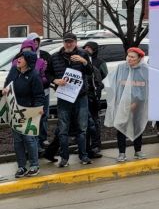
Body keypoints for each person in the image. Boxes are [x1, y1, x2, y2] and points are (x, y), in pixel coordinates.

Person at [48, 32, 93, 168]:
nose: (69, 44)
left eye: (71, 41)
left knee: (82, 128)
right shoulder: (55, 57)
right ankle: (64, 158)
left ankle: (83, 156)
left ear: (76, 42)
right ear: (63, 42)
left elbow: (91, 72)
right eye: (67, 41)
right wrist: (55, 80)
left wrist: (84, 62)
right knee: (63, 129)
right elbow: (47, 74)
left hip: (81, 96)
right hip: (64, 97)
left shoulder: (83, 54)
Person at [3, 48, 44, 178]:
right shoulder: (14, 71)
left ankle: (34, 165)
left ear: (29, 61)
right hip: (15, 110)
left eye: (22, 58)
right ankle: (21, 166)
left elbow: (39, 95)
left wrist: (39, 108)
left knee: (29, 139)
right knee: (17, 140)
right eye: (18, 57)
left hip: (29, 111)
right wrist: (4, 90)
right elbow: (7, 85)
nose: (18, 60)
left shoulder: (34, 75)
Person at [105, 47, 149, 162]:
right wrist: (114, 100)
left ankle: (138, 151)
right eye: (128, 56)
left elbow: (147, 89)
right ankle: (121, 153)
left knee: (137, 126)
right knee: (121, 127)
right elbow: (110, 82)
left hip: (138, 104)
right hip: (122, 104)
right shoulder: (121, 68)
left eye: (132, 57)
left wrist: (136, 102)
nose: (129, 59)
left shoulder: (144, 69)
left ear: (139, 58)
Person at [82, 40, 108, 159]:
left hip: (94, 95)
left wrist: (97, 85)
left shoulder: (99, 62)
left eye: (89, 47)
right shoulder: (81, 60)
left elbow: (104, 76)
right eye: (85, 47)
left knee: (94, 121)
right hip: (83, 95)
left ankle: (96, 144)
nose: (87, 49)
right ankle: (85, 145)